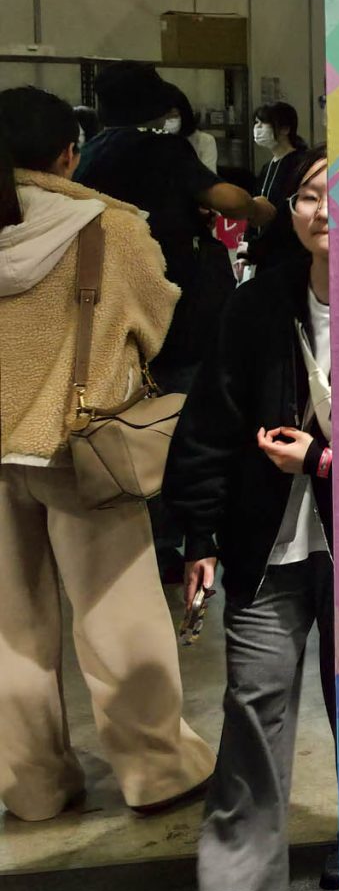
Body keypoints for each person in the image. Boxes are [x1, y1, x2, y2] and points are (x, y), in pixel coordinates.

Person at [0, 87, 215, 823]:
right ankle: (156, 771)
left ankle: (32, 785)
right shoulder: (111, 228)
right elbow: (152, 323)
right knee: (116, 612)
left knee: (10, 627)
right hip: (79, 446)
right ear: (70, 153)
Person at [167, 148, 334, 891]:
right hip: (267, 543)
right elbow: (210, 423)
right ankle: (235, 885)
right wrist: (198, 536)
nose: (325, 210)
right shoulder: (259, 303)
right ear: (288, 208)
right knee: (252, 702)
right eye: (309, 194)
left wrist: (323, 461)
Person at [75, 63, 273, 390]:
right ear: (152, 104)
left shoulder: (89, 153)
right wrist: (258, 208)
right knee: (184, 388)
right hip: (172, 290)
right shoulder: (164, 147)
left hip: (110, 291)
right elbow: (227, 200)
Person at [251, 102, 306, 210]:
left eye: (264, 123)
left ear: (285, 129)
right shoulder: (267, 167)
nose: (257, 127)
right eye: (256, 122)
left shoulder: (300, 164)